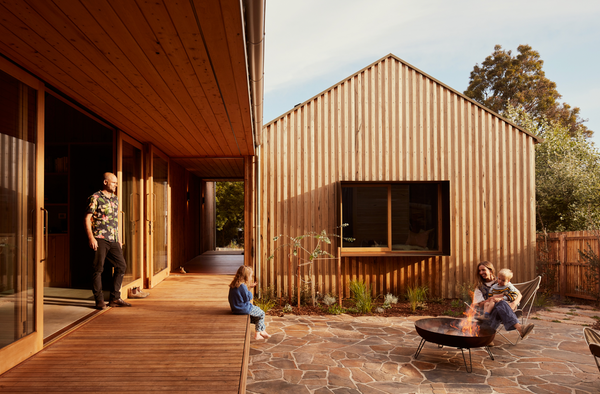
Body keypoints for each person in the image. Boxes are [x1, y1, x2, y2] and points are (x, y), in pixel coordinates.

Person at [85, 172, 132, 310]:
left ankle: (115, 298)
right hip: (99, 238)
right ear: (105, 182)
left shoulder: (115, 199)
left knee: (121, 266)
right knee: (98, 269)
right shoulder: (95, 198)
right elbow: (87, 219)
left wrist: (119, 238)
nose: (116, 185)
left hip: (113, 239)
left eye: (116, 183)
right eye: (113, 183)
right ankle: (99, 300)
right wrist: (91, 238)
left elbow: (115, 221)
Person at [472, 261, 534, 340]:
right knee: (500, 304)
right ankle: (520, 328)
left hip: (505, 308)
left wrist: (514, 303)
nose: (481, 272)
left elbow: (519, 294)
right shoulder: (479, 287)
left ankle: (488, 338)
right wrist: (493, 299)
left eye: (483, 270)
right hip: (488, 311)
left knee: (501, 304)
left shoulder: (502, 280)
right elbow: (481, 305)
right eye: (479, 271)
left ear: (490, 270)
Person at [228, 265, 270, 340]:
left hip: (235, 308)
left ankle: (262, 330)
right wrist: (249, 290)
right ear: (246, 277)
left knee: (258, 313)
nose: (251, 278)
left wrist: (249, 287)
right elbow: (248, 298)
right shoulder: (243, 286)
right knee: (261, 313)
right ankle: (257, 334)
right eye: (250, 276)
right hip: (243, 308)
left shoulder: (234, 284)